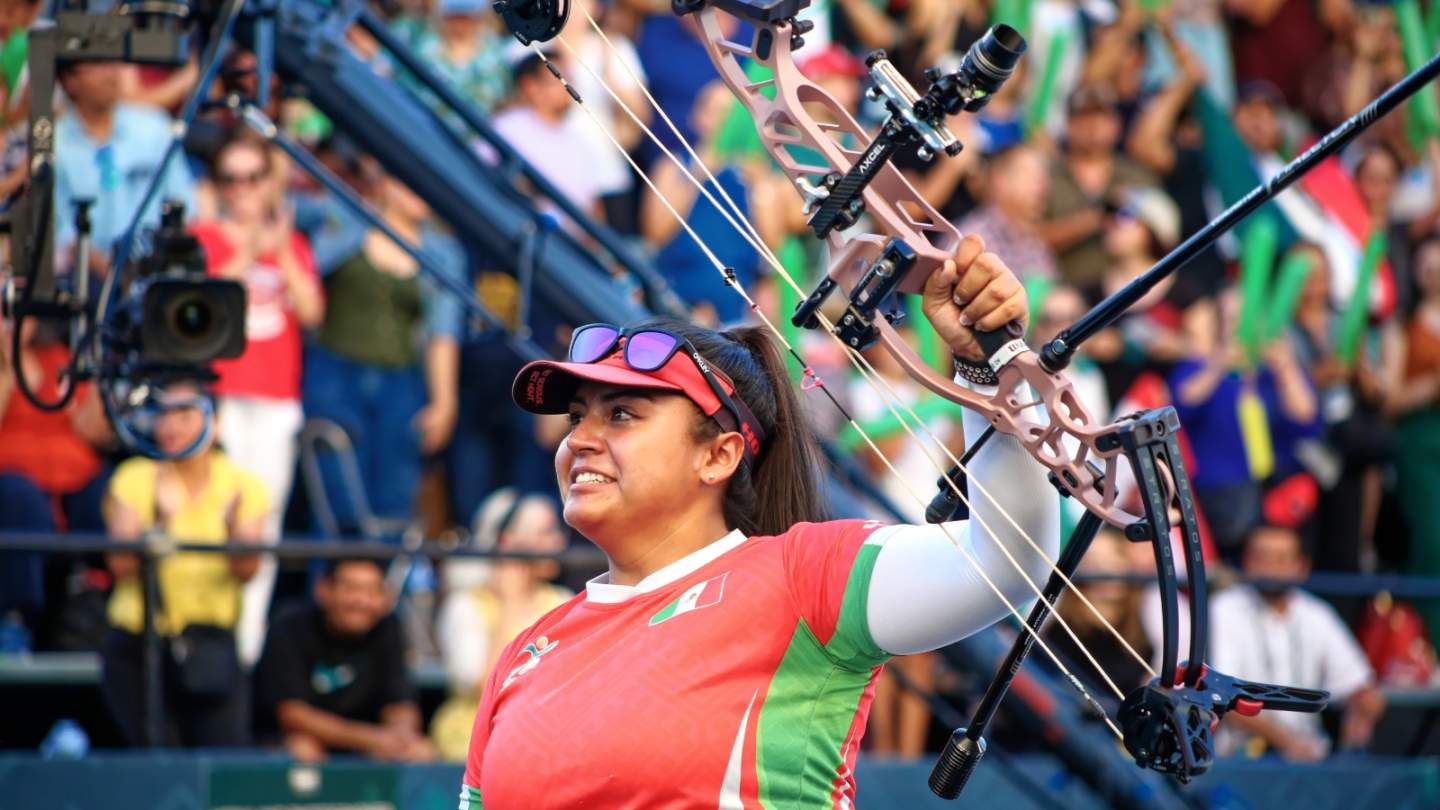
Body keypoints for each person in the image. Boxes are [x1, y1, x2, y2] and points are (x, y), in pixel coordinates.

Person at [460, 236, 1058, 807]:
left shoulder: (802, 577)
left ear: (718, 455)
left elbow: (1010, 562)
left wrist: (989, 367)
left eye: (620, 414)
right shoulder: (526, 653)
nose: (579, 441)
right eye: (573, 418)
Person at [192, 133, 325, 664]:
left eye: (254, 177)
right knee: (212, 512)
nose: (243, 189)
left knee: (262, 518)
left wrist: (280, 248)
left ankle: (246, 646)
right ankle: (207, 632)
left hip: (274, 398)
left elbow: (312, 312)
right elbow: (200, 304)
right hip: (219, 395)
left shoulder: (293, 243)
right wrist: (249, 248)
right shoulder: (203, 236)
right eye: (232, 178)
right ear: (218, 186)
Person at [100, 383, 267, 747]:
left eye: (185, 413)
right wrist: (158, 524)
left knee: (222, 766)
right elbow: (121, 567)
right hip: (139, 645)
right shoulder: (134, 476)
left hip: (211, 647)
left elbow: (248, 573)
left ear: (215, 423)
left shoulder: (243, 484)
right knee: (156, 769)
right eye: (164, 414)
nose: (171, 426)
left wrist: (232, 532)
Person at [1208, 523, 1386, 760]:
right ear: (1246, 563)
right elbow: (1222, 697)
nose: (1270, 567)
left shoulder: (1316, 613)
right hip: (1240, 758)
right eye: (1261, 558)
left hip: (1308, 755)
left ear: (1301, 567)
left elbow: (1362, 689)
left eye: (1281, 559)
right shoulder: (1222, 609)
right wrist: (1286, 742)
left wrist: (1360, 717)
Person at [431, 489, 572, 761]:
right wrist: (511, 606)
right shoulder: (466, 606)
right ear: (507, 542)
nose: (557, 542)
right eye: (545, 533)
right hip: (476, 736)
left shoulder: (562, 600)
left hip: (549, 731)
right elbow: (485, 689)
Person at [254, 557, 435, 763]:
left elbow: (401, 704)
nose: (360, 601)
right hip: (300, 740)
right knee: (303, 750)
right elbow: (292, 715)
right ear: (323, 589)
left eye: (371, 591)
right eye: (350, 588)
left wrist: (400, 737)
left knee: (420, 751)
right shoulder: (289, 625)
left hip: (366, 743)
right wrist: (369, 739)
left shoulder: (388, 627)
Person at [53, 61, 194, 262]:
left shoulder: (154, 127)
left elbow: (185, 204)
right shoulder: (55, 143)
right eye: (98, 66)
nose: (111, 75)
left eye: (113, 64)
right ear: (69, 80)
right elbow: (61, 230)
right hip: (82, 274)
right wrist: (111, 277)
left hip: (156, 263)